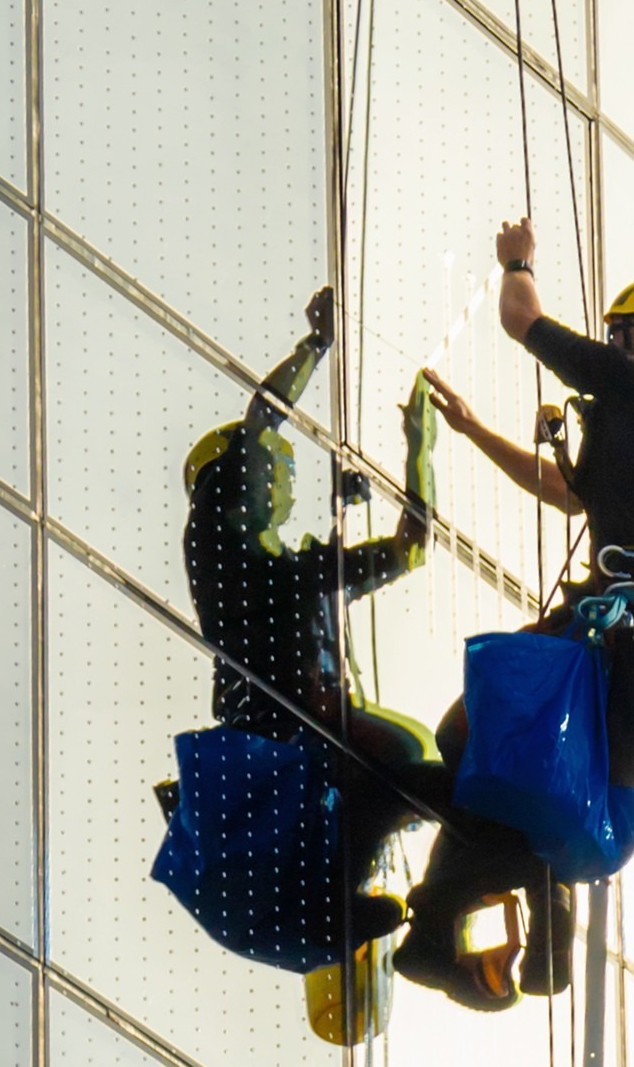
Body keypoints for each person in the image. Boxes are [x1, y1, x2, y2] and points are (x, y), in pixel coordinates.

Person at [396, 216, 634, 1001]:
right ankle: (532, 926)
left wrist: (517, 259)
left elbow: (521, 318)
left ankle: (467, 914)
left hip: (626, 620)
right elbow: (566, 492)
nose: (612, 344)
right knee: (540, 766)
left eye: (621, 332)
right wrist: (473, 429)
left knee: (468, 734)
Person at [176, 286, 449, 956]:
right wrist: (315, 345)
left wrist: (420, 450)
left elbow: (411, 547)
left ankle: (423, 905)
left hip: (318, 727)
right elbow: (260, 422)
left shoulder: (306, 571)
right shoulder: (216, 543)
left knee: (406, 773)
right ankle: (352, 905)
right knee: (402, 767)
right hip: (274, 726)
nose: (283, 480)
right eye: (273, 469)